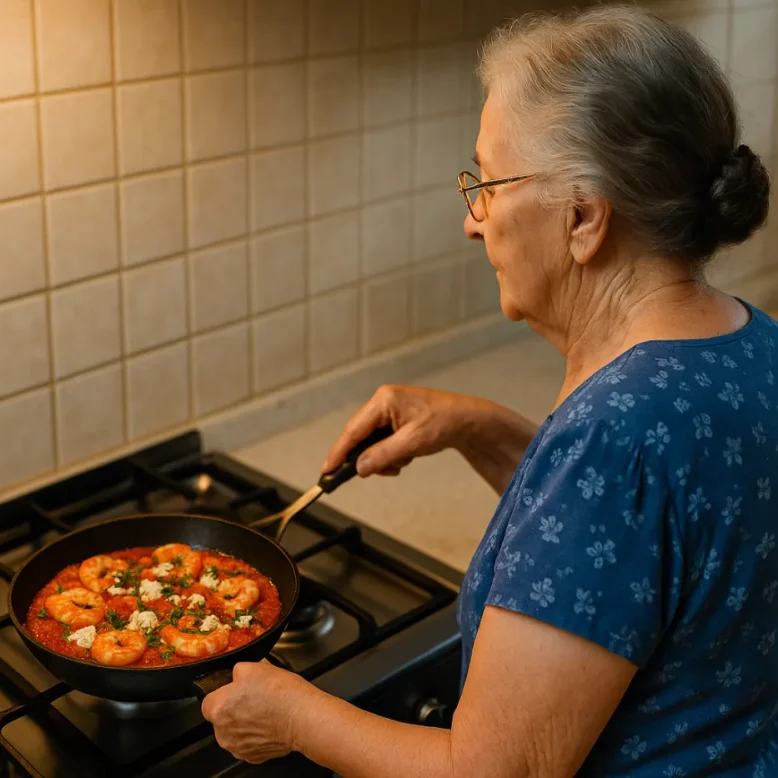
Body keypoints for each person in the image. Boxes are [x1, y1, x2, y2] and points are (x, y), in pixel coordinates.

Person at [202, 6, 777, 775]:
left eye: (490, 183)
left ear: (583, 218)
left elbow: (502, 770)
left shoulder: (612, 440)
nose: (474, 223)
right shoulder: (752, 341)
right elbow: (631, 558)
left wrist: (293, 717)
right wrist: (477, 427)